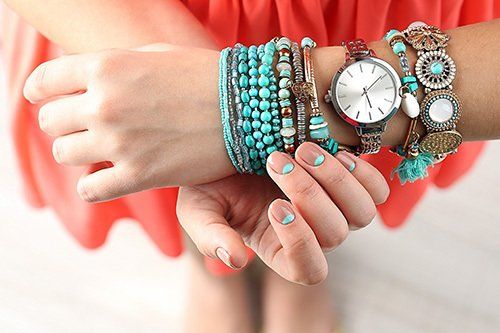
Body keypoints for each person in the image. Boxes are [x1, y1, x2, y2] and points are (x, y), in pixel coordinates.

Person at [3, 1, 499, 332]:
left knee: (330, 184)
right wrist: (223, 111)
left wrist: (236, 105)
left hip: (374, 17)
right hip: (126, 15)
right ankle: (220, 269)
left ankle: (289, 266)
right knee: (174, 166)